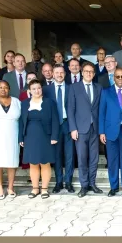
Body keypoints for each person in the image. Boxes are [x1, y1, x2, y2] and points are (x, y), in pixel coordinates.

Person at [99, 68, 122, 197]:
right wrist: (101, 132)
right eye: (117, 77)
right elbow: (102, 113)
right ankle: (114, 187)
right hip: (110, 131)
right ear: (114, 78)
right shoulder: (106, 92)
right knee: (113, 161)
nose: (120, 79)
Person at [19, 79, 59, 199]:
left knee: (45, 163)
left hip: (45, 136)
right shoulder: (25, 103)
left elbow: (55, 120)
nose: (37, 91)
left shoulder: (49, 102)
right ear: (29, 91)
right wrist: (21, 137)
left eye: (39, 88)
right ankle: (35, 188)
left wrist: (54, 136)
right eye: (34, 89)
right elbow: (21, 121)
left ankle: (45, 189)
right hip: (30, 137)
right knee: (33, 163)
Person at [68, 62, 103, 198]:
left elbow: (100, 108)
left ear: (94, 74)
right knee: (82, 158)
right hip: (80, 129)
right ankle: (84, 185)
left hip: (95, 128)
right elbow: (70, 109)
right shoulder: (74, 88)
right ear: (82, 72)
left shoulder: (98, 88)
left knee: (94, 158)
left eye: (91, 71)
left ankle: (92, 183)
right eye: (86, 71)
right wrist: (73, 128)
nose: (89, 73)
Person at [43, 65, 75, 194]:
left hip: (68, 125)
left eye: (61, 72)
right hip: (53, 127)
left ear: (65, 74)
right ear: (52, 74)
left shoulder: (72, 88)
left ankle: (68, 182)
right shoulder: (46, 90)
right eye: (57, 73)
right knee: (56, 156)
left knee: (69, 156)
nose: (59, 75)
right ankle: (58, 182)